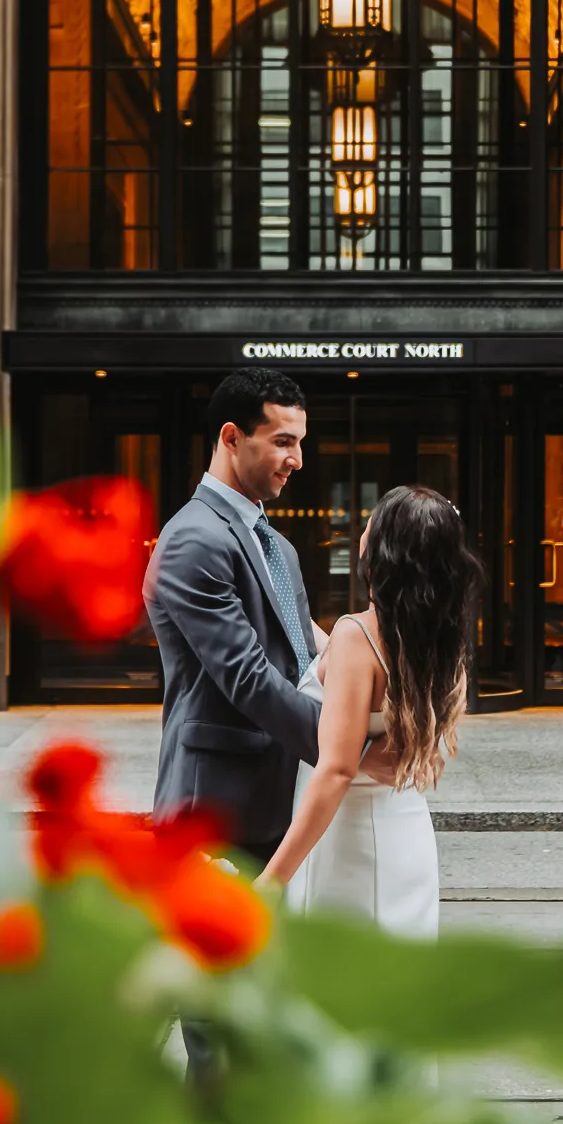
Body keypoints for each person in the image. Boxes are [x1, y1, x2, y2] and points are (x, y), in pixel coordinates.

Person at [257, 484, 484, 937]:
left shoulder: (356, 635)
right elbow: (353, 674)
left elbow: (335, 771)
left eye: (371, 523)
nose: (362, 529)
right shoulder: (434, 635)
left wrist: (270, 881)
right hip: (404, 829)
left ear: (384, 549)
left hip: (351, 839)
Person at [145, 367, 330, 864]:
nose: (297, 460)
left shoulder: (279, 548)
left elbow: (304, 651)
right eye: (283, 442)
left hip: (277, 800)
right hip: (214, 811)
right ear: (232, 438)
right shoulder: (192, 539)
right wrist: (343, 739)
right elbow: (247, 676)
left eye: (300, 442)